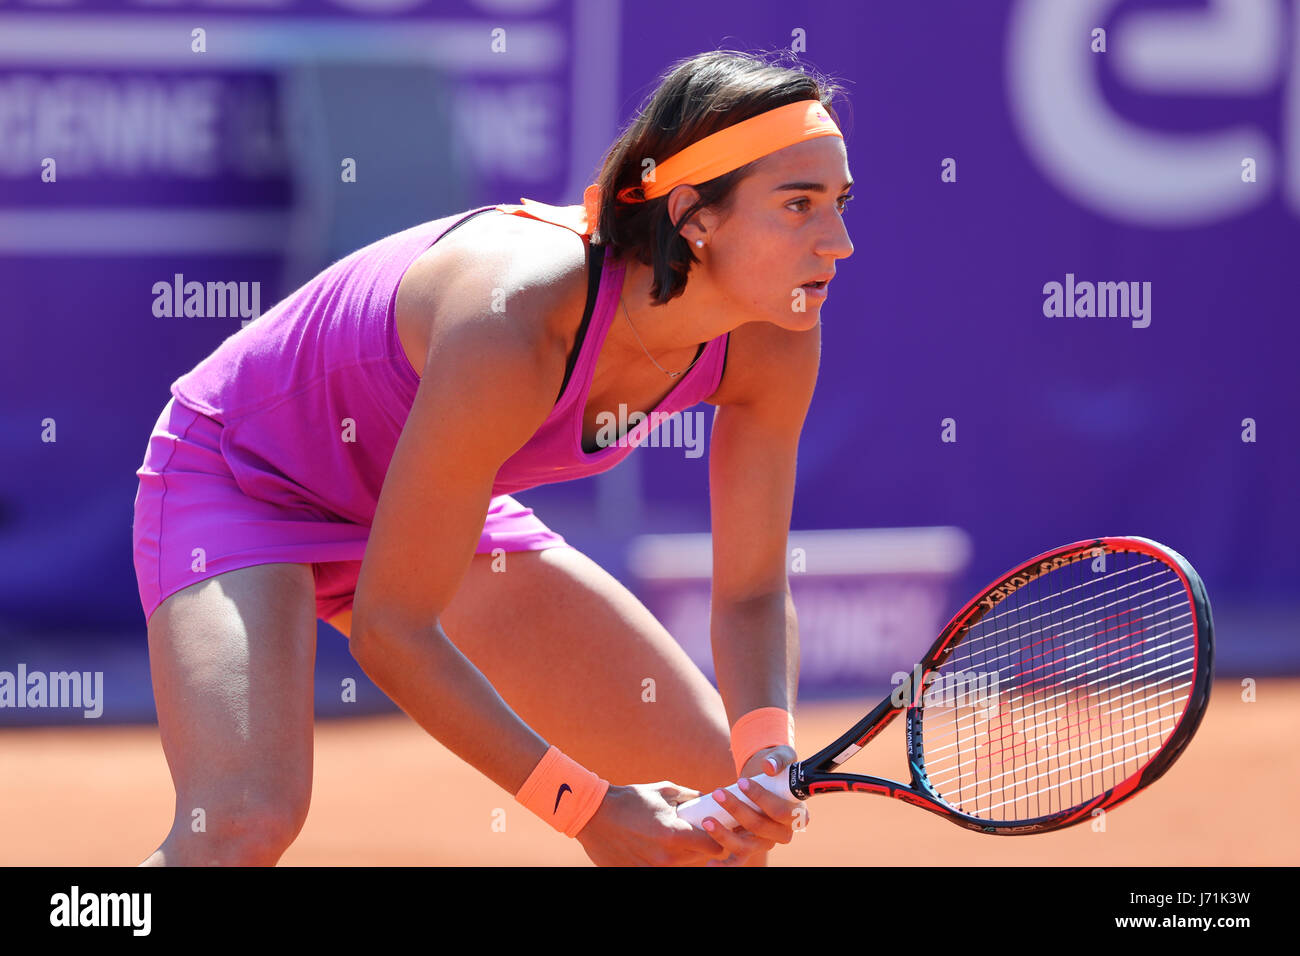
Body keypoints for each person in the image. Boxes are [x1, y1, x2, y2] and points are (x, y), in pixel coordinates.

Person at [132, 49, 853, 866]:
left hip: (438, 500)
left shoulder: (776, 335)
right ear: (694, 215)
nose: (840, 241)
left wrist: (765, 751)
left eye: (839, 202)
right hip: (244, 479)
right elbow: (392, 628)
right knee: (241, 824)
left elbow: (754, 590)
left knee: (715, 823)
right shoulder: (518, 320)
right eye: (800, 205)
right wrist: (588, 808)